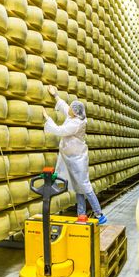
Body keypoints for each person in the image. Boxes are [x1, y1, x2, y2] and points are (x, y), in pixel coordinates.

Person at [42, 85, 107, 224]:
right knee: (78, 188)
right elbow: (65, 107)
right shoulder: (74, 116)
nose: (69, 109)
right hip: (71, 157)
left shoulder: (75, 124)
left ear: (76, 113)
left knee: (85, 186)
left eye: (72, 108)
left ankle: (99, 214)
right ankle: (81, 215)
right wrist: (55, 95)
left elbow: (60, 130)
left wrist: (47, 118)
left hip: (77, 159)